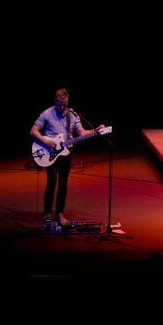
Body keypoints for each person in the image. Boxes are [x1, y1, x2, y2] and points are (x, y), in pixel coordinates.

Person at [30, 88, 105, 224]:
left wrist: (96, 131)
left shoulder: (73, 115)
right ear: (54, 101)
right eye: (59, 104)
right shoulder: (47, 113)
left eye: (64, 104)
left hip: (67, 152)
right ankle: (47, 213)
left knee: (63, 184)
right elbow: (33, 131)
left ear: (68, 102)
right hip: (50, 152)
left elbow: (81, 132)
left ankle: (60, 213)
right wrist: (46, 142)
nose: (62, 107)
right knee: (52, 181)